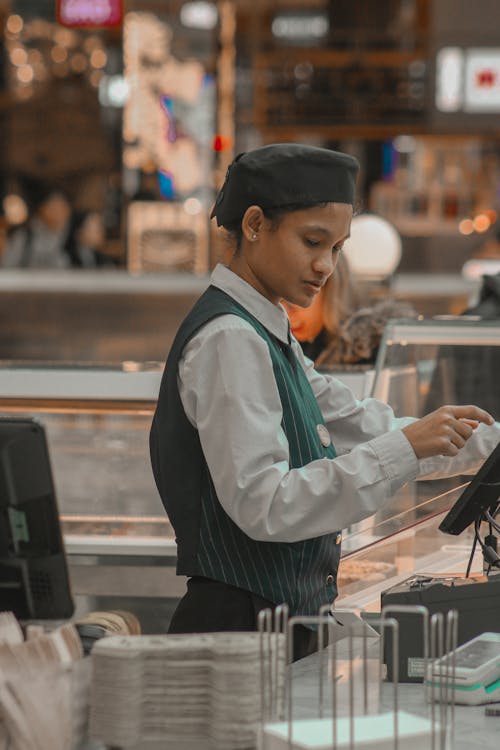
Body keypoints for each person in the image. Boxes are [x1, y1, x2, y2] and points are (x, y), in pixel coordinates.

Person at [149, 143, 499, 660]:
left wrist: (483, 446)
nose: (325, 265)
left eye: (337, 248)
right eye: (313, 241)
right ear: (253, 225)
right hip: (239, 631)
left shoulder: (267, 331)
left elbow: (353, 421)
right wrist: (407, 446)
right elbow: (264, 504)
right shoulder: (230, 337)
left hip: (274, 624)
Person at [283, 252, 416, 365]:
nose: (286, 315)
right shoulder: (284, 349)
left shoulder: (374, 347)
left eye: (291, 303)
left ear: (328, 288)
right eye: (278, 304)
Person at [1, 185, 72, 269]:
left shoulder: (72, 237)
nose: (58, 213)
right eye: (54, 207)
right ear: (41, 209)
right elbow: (8, 267)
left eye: (62, 208)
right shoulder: (25, 237)